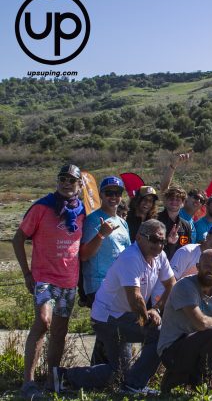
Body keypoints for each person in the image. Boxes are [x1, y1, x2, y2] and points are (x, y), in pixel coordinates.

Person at [54, 220, 177, 395]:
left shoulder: (160, 256)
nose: (158, 245)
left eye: (162, 241)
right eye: (153, 239)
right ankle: (134, 385)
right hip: (107, 317)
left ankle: (64, 376)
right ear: (139, 238)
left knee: (119, 373)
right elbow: (135, 298)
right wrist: (148, 322)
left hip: (122, 315)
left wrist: (156, 309)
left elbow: (171, 284)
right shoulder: (131, 257)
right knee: (159, 334)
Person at [13, 164, 86, 399]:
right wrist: (26, 274)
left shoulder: (82, 210)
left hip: (69, 280)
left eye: (71, 180)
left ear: (79, 185)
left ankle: (52, 381)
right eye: (62, 178)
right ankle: (28, 383)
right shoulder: (42, 207)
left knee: (59, 331)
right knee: (44, 322)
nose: (66, 183)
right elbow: (18, 239)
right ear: (57, 181)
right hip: (44, 277)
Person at [157, 249, 212, 397]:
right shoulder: (185, 286)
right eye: (207, 266)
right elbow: (201, 324)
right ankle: (202, 381)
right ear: (198, 267)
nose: (211, 270)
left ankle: (176, 380)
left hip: (199, 354)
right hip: (172, 352)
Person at [79, 176, 131, 366]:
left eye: (117, 193)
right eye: (109, 192)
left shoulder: (123, 223)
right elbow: (84, 255)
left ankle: (100, 373)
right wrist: (101, 234)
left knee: (107, 334)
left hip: (119, 285)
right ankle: (119, 372)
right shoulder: (93, 220)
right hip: (99, 285)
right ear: (101, 194)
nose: (113, 197)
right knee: (114, 330)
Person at [150, 222, 212, 304]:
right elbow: (170, 283)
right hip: (162, 301)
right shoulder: (187, 252)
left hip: (184, 303)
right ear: (207, 236)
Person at [157, 185, 192, 261]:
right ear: (165, 201)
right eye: (171, 199)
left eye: (178, 200)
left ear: (183, 203)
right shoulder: (155, 220)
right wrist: (167, 241)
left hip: (177, 268)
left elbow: (187, 250)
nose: (174, 202)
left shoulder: (186, 225)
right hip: (156, 264)